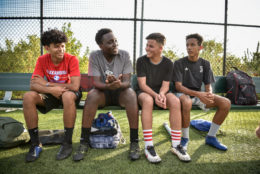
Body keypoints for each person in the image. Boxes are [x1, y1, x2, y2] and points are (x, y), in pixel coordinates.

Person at [73, 28, 140, 162]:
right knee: (91, 95)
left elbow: (127, 82)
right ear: (101, 46)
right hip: (103, 93)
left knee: (131, 94)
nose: (115, 44)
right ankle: (84, 141)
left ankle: (134, 142)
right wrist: (109, 85)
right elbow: (96, 83)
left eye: (115, 41)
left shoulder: (125, 55)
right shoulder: (95, 55)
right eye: (110, 42)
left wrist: (118, 84)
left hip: (121, 93)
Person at [23, 29, 82, 162]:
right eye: (56, 46)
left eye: (62, 46)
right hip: (52, 93)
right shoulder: (42, 60)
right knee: (28, 96)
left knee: (67, 96)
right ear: (46, 48)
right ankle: (35, 144)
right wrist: (50, 89)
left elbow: (74, 86)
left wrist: (46, 84)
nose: (61, 49)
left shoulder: (72, 59)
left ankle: (67, 143)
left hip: (69, 93)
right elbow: (33, 85)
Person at [136, 33, 191, 164]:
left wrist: (161, 94)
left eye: (151, 46)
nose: (147, 48)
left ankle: (176, 145)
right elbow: (142, 85)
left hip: (161, 92)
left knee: (175, 101)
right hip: (145, 92)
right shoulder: (141, 61)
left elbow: (165, 85)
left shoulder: (168, 63)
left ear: (160, 48)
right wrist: (155, 96)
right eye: (147, 45)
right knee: (148, 101)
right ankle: (149, 146)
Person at [172, 33, 231, 152]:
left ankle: (211, 137)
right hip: (181, 95)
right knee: (186, 102)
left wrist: (208, 95)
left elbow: (208, 86)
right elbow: (178, 87)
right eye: (187, 45)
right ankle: (185, 138)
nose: (189, 47)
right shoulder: (179, 63)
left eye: (192, 45)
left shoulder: (205, 64)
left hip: (198, 96)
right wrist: (199, 94)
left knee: (225, 103)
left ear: (200, 47)